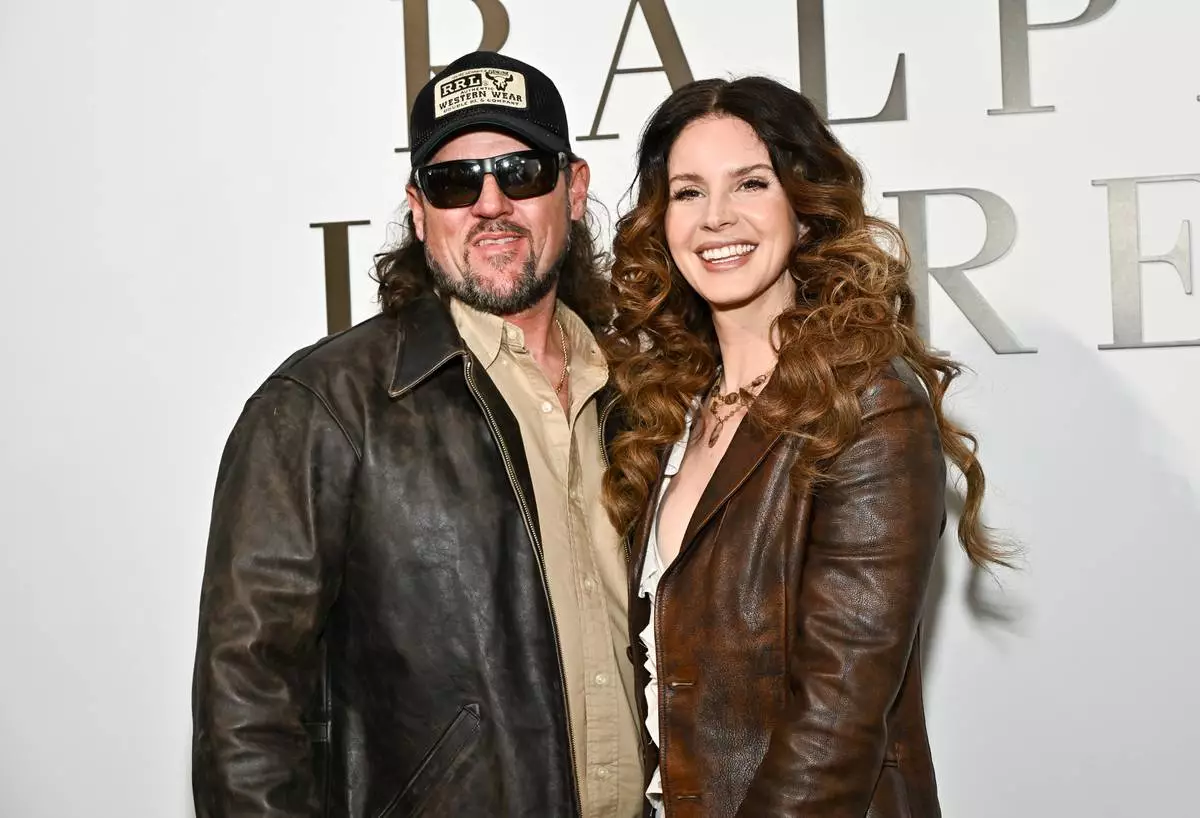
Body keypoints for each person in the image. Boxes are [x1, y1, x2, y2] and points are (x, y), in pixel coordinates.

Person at [191, 51, 643, 817]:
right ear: (418, 207)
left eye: (521, 172)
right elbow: (247, 708)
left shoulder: (643, 392)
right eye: (454, 182)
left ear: (574, 188)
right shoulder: (323, 406)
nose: (490, 203)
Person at [600, 76, 1010, 817]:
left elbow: (837, 719)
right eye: (688, 192)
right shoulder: (666, 414)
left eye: (751, 183)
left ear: (804, 207)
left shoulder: (868, 407)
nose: (716, 218)